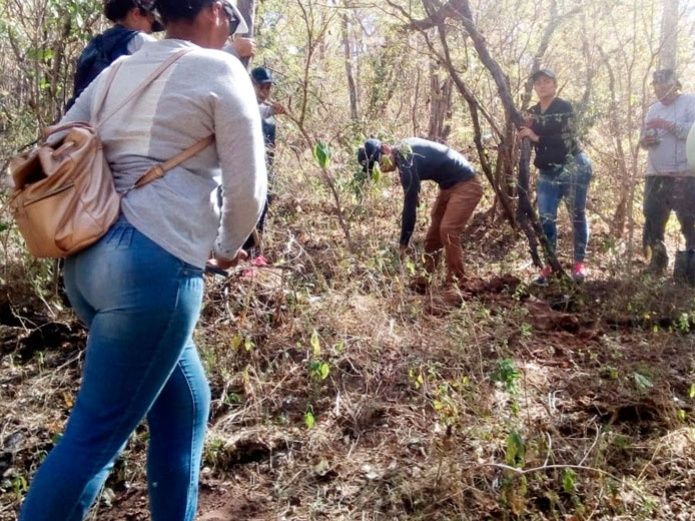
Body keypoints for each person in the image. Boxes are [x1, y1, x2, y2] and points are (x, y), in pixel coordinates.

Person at [19, 1, 266, 520]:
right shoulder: (220, 68)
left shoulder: (119, 67)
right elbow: (249, 190)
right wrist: (224, 249)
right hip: (153, 268)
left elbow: (58, 140)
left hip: (86, 266)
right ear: (215, 12)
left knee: (186, 404)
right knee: (94, 436)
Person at [358, 138, 482, 285]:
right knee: (434, 234)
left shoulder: (405, 158)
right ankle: (426, 278)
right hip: (448, 186)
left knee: (448, 229)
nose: (382, 169)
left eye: (379, 162)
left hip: (466, 184)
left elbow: (409, 207)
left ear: (385, 149)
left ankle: (459, 281)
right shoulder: (402, 153)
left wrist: (404, 242)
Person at [518, 68, 593, 283]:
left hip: (573, 166)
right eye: (538, 82)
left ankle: (578, 264)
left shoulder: (564, 107)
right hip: (547, 172)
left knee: (576, 214)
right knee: (546, 219)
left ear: (554, 84)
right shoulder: (532, 112)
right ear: (534, 87)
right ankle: (549, 267)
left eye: (546, 81)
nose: (542, 85)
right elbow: (526, 136)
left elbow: (565, 139)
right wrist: (525, 133)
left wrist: (536, 136)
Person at [639, 69, 695, 275]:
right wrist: (646, 140)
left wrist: (667, 125)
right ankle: (657, 260)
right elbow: (644, 139)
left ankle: (690, 265)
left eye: (664, 87)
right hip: (656, 173)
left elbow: (692, 131)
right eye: (656, 87)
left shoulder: (690, 102)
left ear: (675, 85)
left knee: (689, 220)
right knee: (653, 216)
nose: (660, 91)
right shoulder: (652, 110)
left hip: (685, 173)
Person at [67, 0, 163, 110]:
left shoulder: (98, 42)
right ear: (136, 14)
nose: (151, 30)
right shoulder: (142, 41)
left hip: (85, 113)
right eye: (151, 21)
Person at [242, 66, 286, 257]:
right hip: (245, 175)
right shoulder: (241, 108)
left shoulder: (267, 114)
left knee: (262, 211)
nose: (265, 92)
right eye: (261, 87)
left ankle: (255, 255)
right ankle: (242, 255)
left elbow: (263, 111)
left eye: (268, 88)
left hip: (265, 173)